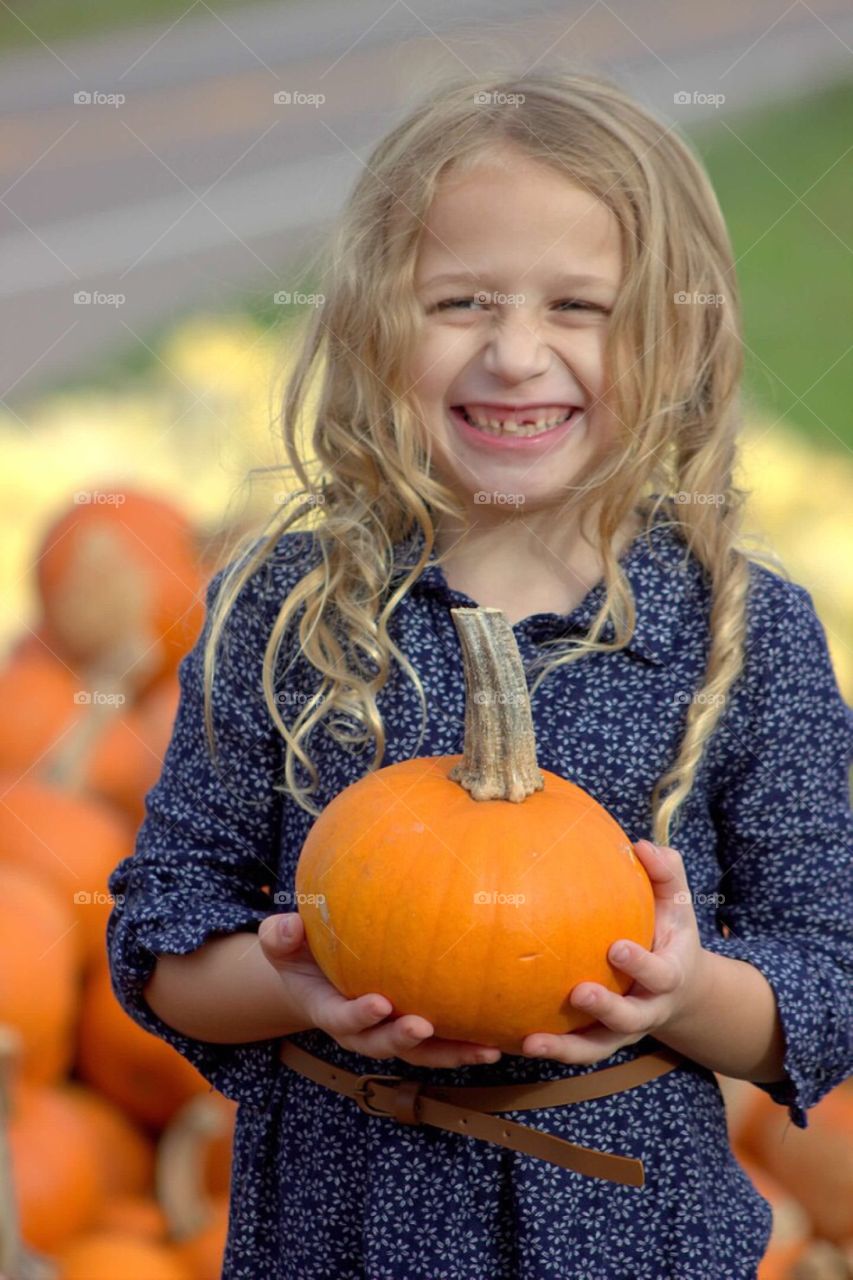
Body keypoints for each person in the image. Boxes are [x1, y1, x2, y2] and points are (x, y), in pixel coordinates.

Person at [106, 66, 853, 1280]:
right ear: (372, 320)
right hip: (335, 1231)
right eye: (458, 300)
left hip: (632, 1236)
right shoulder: (286, 611)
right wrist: (292, 982)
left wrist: (680, 990)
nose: (515, 354)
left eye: (580, 306)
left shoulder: (737, 630)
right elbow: (161, 937)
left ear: (679, 328)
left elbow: (827, 979)